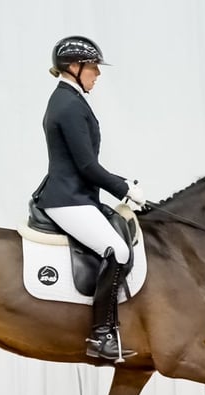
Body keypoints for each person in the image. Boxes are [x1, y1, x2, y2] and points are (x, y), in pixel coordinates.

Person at [32, 35, 144, 362]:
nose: (97, 73)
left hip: (78, 195)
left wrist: (121, 183)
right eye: (93, 66)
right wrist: (123, 189)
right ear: (74, 67)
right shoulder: (67, 105)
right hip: (67, 199)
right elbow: (86, 166)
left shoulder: (71, 100)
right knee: (117, 251)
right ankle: (101, 335)